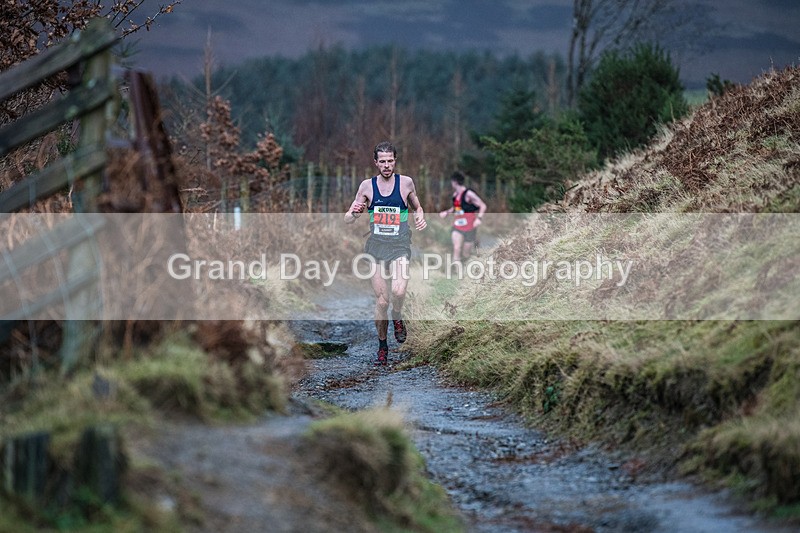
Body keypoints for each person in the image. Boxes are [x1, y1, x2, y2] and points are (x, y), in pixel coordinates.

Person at [345, 141, 427, 365]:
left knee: (399, 292)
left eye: (390, 161)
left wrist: (419, 215)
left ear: (395, 161)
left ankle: (397, 316)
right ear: (376, 163)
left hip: (400, 245)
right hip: (377, 248)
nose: (387, 165)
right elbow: (347, 219)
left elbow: (417, 206)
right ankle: (383, 346)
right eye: (382, 161)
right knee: (382, 301)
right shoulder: (366, 187)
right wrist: (354, 213)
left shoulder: (406, 183)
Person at [438, 171, 487, 263]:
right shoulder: (455, 195)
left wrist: (479, 219)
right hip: (457, 226)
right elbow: (456, 208)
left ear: (454, 182)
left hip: (469, 226)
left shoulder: (468, 194)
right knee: (456, 248)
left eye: (452, 181)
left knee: (466, 254)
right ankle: (456, 273)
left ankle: (469, 266)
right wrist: (447, 212)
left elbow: (483, 205)